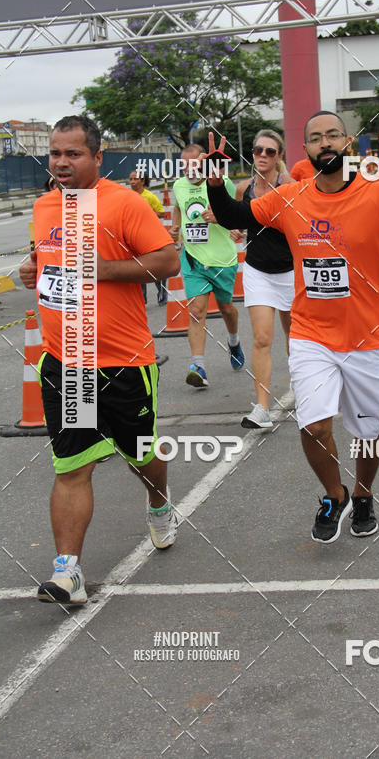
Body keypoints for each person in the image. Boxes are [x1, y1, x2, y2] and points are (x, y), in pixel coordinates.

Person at [205, 104, 379, 543]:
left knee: (368, 431)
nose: (324, 142)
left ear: (348, 143)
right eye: (315, 137)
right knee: (314, 424)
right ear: (304, 150)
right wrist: (215, 184)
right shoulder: (291, 198)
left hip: (369, 339)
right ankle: (334, 493)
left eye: (332, 135)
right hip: (311, 336)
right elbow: (234, 216)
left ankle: (363, 493)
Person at [19, 115, 180, 605]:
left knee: (140, 456)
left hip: (123, 362)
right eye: (55, 153)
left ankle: (158, 503)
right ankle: (67, 572)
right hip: (67, 363)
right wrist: (33, 267)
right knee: (72, 467)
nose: (62, 162)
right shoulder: (45, 205)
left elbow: (168, 260)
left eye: (73, 154)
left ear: (97, 157)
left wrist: (105, 269)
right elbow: (47, 258)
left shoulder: (124, 202)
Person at [169, 143, 245, 387]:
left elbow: (237, 213)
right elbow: (178, 207)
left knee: (226, 309)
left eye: (194, 163)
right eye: (184, 164)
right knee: (196, 311)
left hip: (222, 259)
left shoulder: (220, 183)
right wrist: (175, 229)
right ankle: (198, 366)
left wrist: (227, 221)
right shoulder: (179, 185)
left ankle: (233, 341)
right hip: (193, 259)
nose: (189, 169)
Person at [235, 130, 294, 428]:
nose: (262, 155)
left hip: (291, 271)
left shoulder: (293, 188)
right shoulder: (244, 188)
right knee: (261, 338)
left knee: (296, 339)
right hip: (257, 270)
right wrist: (234, 229)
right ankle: (262, 408)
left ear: (279, 156)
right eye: (258, 149)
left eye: (270, 151)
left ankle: (305, 391)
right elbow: (240, 222)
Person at [128, 170, 167, 305]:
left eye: (135, 179)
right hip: (134, 238)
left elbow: (162, 214)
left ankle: (162, 294)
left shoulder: (149, 197)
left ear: (143, 181)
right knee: (139, 269)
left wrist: (146, 216)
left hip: (150, 238)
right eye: (131, 179)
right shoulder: (128, 196)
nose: (132, 182)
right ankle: (142, 299)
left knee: (153, 269)